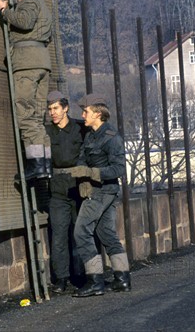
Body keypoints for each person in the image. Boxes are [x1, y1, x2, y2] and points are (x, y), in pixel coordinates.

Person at [64, 93, 131, 297]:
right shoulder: (91, 134)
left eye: (86, 111)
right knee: (106, 233)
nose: (83, 115)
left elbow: (119, 169)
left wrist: (92, 174)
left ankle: (95, 281)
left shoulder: (111, 137)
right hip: (98, 189)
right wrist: (83, 173)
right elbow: (83, 158)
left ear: (98, 113)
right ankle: (122, 279)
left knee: (81, 231)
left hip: (103, 190)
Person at [0, 0, 53, 180]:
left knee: (25, 114)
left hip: (27, 65)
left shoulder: (29, 2)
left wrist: (5, 12)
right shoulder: (44, 6)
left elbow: (24, 21)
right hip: (42, 63)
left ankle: (36, 165)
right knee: (38, 117)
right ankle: (45, 164)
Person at [46, 90, 87, 293]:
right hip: (57, 187)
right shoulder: (46, 132)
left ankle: (83, 274)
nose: (52, 113)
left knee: (81, 232)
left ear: (66, 108)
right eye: (50, 109)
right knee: (59, 234)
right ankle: (61, 278)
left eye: (56, 108)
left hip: (78, 185)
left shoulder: (80, 128)